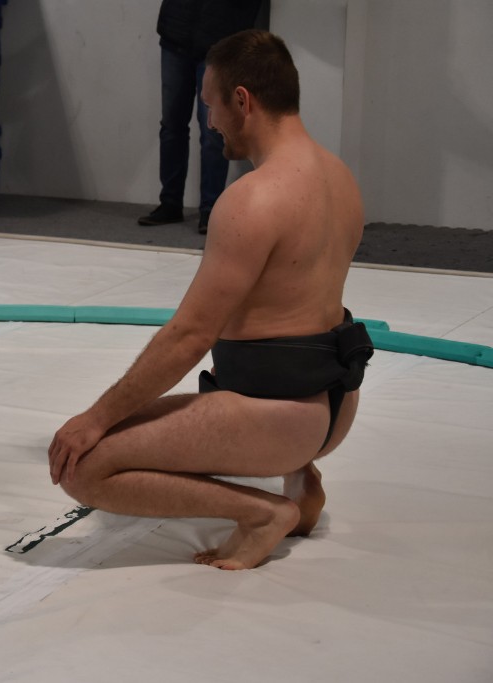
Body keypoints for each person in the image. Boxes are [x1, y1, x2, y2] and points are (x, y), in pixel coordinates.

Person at [50, 30, 374, 570]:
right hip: (336, 401)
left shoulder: (253, 199)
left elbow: (191, 336)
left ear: (242, 100)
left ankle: (262, 514)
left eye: (211, 105)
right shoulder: (341, 178)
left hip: (279, 415)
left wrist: (95, 418)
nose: (211, 120)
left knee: (84, 468)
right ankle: (301, 477)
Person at [138, 0, 262, 234]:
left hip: (221, 43)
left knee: (214, 132)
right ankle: (170, 203)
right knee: (171, 125)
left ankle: (211, 209)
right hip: (177, 33)